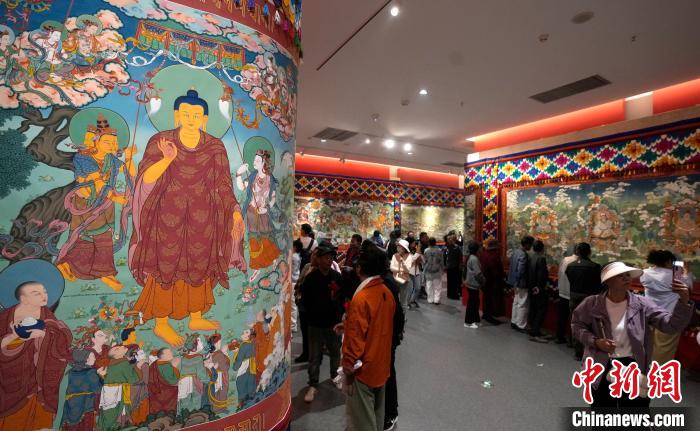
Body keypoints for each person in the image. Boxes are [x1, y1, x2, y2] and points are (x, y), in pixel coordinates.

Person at [129, 89, 247, 346]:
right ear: (177, 115)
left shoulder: (215, 146)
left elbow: (223, 184)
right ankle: (161, 323)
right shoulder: (161, 141)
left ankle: (196, 316)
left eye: (196, 114)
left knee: (199, 263)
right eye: (186, 113)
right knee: (165, 264)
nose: (191, 118)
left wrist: (235, 210)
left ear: (204, 118)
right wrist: (167, 159)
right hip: (166, 215)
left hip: (203, 218)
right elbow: (146, 180)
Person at [571, 261, 693, 408]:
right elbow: (577, 326)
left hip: (633, 365)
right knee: (602, 409)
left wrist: (683, 302)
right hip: (602, 364)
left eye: (628, 275)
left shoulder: (642, 304)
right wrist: (595, 341)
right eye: (620, 275)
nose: (626, 278)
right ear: (607, 281)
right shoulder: (592, 303)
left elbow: (670, 326)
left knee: (635, 411)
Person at [0, 263, 73, 431]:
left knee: (40, 420)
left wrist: (45, 335)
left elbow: (62, 338)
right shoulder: (4, 318)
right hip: (12, 379)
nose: (43, 296)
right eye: (36, 293)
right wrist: (15, 337)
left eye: (44, 292)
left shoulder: (48, 317)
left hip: (41, 383)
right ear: (23, 298)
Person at [341, 242, 396, 431]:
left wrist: (348, 366)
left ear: (359, 268)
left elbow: (356, 339)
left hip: (363, 369)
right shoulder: (386, 292)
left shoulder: (362, 297)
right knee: (377, 415)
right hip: (381, 364)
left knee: (361, 421)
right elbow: (379, 326)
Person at [298, 242, 346, 402]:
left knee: (335, 351)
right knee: (314, 355)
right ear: (318, 259)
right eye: (325, 257)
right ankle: (313, 384)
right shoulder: (311, 278)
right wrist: (308, 316)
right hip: (315, 323)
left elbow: (343, 298)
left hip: (334, 323)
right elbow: (304, 300)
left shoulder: (337, 277)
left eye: (331, 257)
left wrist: (341, 314)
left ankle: (335, 376)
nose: (329, 260)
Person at [236, 145, 282, 282]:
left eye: (257, 160)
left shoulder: (269, 178)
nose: (254, 162)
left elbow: (273, 197)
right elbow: (242, 187)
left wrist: (267, 208)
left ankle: (273, 258)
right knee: (254, 240)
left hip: (263, 213)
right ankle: (256, 267)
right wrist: (239, 174)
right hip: (251, 213)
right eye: (254, 160)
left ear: (263, 163)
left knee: (267, 237)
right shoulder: (252, 176)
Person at [640, 250, 693, 365]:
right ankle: (658, 372)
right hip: (669, 317)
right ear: (668, 261)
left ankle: (646, 367)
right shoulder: (675, 276)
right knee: (664, 348)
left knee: (649, 344)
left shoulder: (644, 273)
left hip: (649, 314)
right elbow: (688, 287)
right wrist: (686, 272)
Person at [566, 242, 602, 360]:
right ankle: (588, 351)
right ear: (589, 252)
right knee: (589, 325)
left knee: (576, 323)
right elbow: (599, 285)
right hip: (589, 299)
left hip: (574, 297)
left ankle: (577, 351)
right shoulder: (595, 267)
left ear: (577, 252)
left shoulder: (570, 266)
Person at [97, 345, 142, 430]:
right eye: (117, 348)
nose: (121, 347)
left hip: (107, 391)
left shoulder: (110, 364)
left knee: (108, 410)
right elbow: (133, 379)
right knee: (116, 411)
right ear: (116, 354)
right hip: (118, 392)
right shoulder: (124, 363)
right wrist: (138, 367)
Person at [60, 349, 103, 431]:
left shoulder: (72, 371)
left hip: (71, 404)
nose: (95, 359)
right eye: (92, 357)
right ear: (86, 359)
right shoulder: (91, 372)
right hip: (85, 404)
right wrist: (101, 376)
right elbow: (98, 389)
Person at [177, 335, 208, 415]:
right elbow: (201, 374)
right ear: (194, 347)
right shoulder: (198, 358)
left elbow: (179, 371)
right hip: (194, 382)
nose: (202, 343)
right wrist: (207, 379)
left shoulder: (183, 358)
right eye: (200, 341)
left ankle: (183, 416)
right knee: (196, 400)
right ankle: (194, 416)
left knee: (184, 400)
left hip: (183, 382)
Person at [508, 235, 534, 332]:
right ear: (526, 244)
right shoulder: (523, 254)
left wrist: (514, 282)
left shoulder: (516, 252)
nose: (531, 246)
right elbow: (520, 270)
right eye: (530, 244)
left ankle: (514, 321)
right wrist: (518, 281)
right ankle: (521, 325)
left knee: (516, 302)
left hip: (515, 282)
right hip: (521, 283)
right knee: (522, 304)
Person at [527, 240, 549, 343]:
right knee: (540, 310)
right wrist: (539, 287)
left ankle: (533, 330)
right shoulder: (541, 259)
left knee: (533, 309)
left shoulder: (531, 257)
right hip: (538, 288)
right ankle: (535, 333)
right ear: (542, 248)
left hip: (531, 287)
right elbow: (541, 275)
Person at [148, 348, 180, 416]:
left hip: (156, 394)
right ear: (162, 356)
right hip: (166, 394)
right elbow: (173, 381)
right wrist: (174, 367)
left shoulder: (155, 363)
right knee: (167, 412)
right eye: (169, 353)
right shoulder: (166, 366)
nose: (171, 354)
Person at [556, 247, 578, 344]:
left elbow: (559, 274)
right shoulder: (578, 263)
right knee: (574, 319)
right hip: (573, 294)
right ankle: (572, 341)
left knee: (562, 317)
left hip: (562, 292)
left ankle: (559, 337)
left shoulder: (565, 259)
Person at [479, 240, 505, 324]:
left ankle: (485, 313)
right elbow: (495, 270)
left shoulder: (484, 254)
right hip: (492, 281)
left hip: (484, 280)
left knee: (486, 297)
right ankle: (489, 316)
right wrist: (501, 277)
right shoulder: (494, 255)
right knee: (491, 298)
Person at [464, 241, 484, 328]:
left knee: (475, 302)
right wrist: (483, 281)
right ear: (476, 249)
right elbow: (478, 273)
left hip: (471, 283)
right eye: (480, 248)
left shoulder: (471, 257)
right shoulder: (474, 259)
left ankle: (475, 319)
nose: (481, 249)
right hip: (473, 284)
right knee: (472, 304)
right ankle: (468, 322)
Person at [390, 239, 412, 313]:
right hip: (394, 280)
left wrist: (402, 262)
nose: (398, 248)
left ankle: (403, 316)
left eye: (400, 247)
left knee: (403, 301)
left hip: (404, 281)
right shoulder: (394, 255)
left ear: (404, 248)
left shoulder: (409, 257)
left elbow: (408, 270)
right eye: (398, 246)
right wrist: (401, 270)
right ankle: (395, 316)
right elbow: (391, 268)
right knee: (394, 299)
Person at [423, 238, 445, 304]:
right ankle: (436, 300)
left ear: (429, 243)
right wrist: (442, 268)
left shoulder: (426, 250)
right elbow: (441, 261)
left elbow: (425, 261)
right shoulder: (439, 250)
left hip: (428, 270)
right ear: (435, 243)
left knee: (429, 286)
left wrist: (424, 269)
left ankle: (430, 299)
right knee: (437, 286)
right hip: (437, 270)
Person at [406, 240, 423, 309]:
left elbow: (423, 261)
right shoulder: (407, 252)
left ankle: (413, 300)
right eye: (414, 243)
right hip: (409, 273)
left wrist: (419, 254)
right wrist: (417, 252)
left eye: (417, 245)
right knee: (410, 289)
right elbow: (411, 260)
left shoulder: (417, 252)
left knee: (418, 288)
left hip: (417, 272)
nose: (415, 245)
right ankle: (407, 303)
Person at [445, 234, 463, 300]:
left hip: (455, 266)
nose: (449, 240)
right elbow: (445, 256)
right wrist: (445, 265)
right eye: (448, 239)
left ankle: (454, 294)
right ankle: (449, 294)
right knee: (449, 281)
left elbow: (460, 256)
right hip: (449, 266)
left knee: (455, 281)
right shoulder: (447, 247)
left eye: (450, 239)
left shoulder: (457, 247)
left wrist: (460, 264)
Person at [291, 239, 303, 333]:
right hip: (296, 280)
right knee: (294, 305)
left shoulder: (293, 256)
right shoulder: (298, 256)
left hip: (293, 281)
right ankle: (293, 325)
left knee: (293, 305)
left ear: (294, 247)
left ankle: (293, 326)